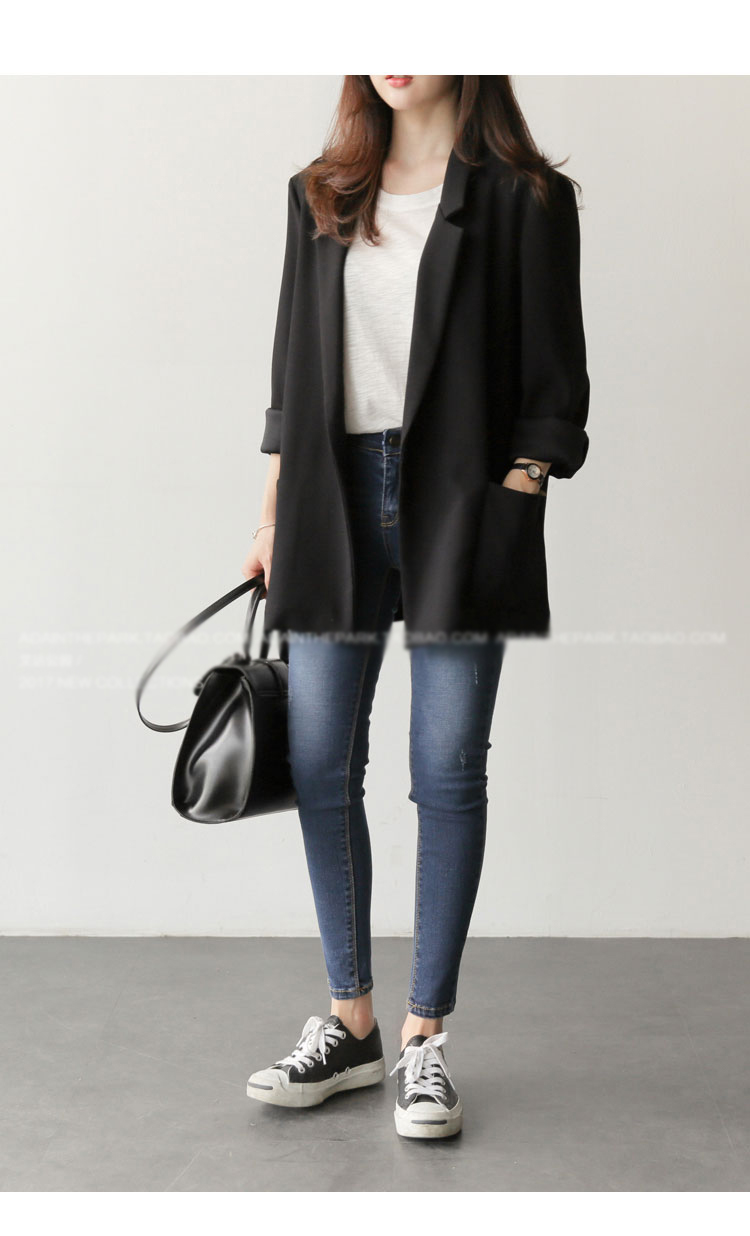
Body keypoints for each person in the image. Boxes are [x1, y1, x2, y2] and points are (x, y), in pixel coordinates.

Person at [243, 75, 590, 1140]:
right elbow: (292, 371)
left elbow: (555, 374)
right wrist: (270, 516)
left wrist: (520, 486)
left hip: (460, 495)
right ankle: (351, 1024)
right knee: (317, 762)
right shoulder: (320, 191)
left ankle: (425, 1038)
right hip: (329, 498)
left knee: (444, 768)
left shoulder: (526, 196)